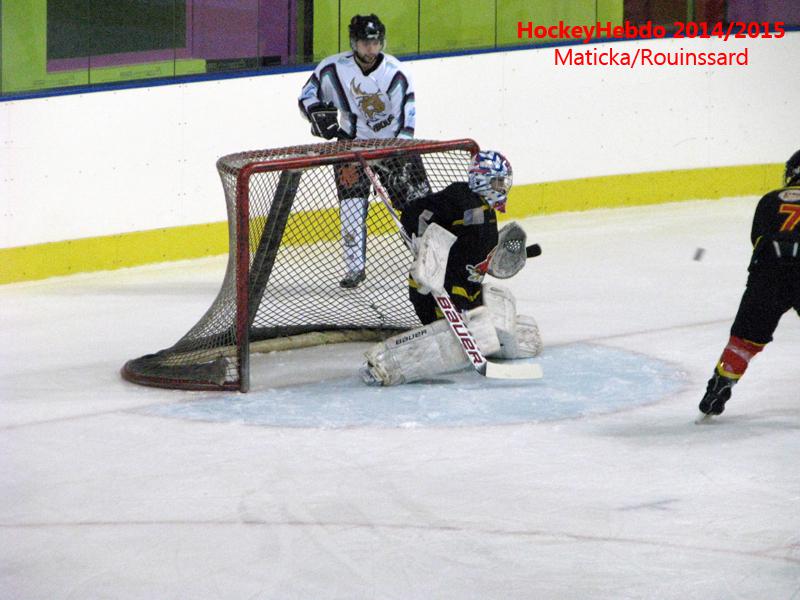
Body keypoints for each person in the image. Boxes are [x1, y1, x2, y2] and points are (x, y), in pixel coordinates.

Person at [359, 150, 543, 386]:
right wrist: (422, 239)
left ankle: (486, 336)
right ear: (482, 179)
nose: (503, 188)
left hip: (466, 288)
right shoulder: (460, 199)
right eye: (498, 182)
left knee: (496, 313)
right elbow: (414, 213)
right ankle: (384, 364)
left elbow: (472, 248)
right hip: (439, 290)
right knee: (458, 337)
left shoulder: (484, 209)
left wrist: (497, 257)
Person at [298, 14, 426, 288]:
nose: (371, 48)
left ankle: (428, 260)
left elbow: (407, 121)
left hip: (394, 149)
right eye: (365, 42)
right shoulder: (333, 69)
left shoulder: (395, 72)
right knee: (351, 210)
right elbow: (306, 96)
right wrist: (316, 113)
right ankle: (354, 267)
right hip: (352, 148)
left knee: (417, 208)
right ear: (354, 43)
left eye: (375, 42)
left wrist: (399, 151)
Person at [698, 149, 800, 418]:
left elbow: (758, 239)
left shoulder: (769, 199)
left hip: (768, 273)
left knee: (744, 340)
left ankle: (718, 387)